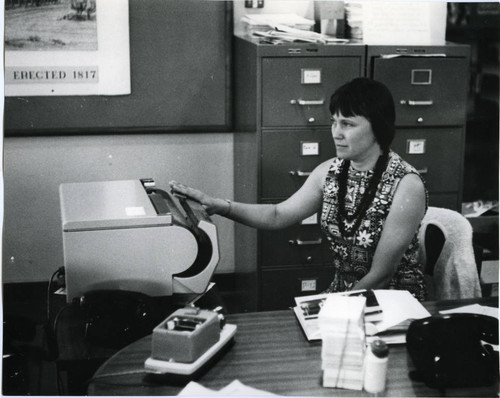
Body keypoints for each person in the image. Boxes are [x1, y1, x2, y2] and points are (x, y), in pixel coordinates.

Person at [170, 77, 428, 301]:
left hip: (390, 302)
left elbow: (381, 275)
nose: (336, 133)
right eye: (333, 122)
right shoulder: (331, 171)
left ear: (378, 127)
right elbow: (277, 215)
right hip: (344, 295)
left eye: (347, 124)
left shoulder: (406, 185)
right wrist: (219, 206)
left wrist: (332, 311)